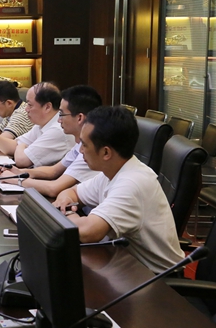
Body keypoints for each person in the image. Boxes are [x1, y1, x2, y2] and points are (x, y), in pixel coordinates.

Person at [53, 106, 184, 274]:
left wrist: (67, 212)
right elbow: (71, 192)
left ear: (106, 152)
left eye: (84, 144)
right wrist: (66, 202)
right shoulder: (112, 171)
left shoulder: (132, 183)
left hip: (159, 282)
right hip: (128, 268)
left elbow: (87, 232)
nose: (80, 150)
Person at [0, 85, 102, 196]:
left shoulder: (92, 149)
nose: (59, 120)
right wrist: (21, 172)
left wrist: (16, 180)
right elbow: (53, 171)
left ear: (79, 118)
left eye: (61, 114)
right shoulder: (80, 144)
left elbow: (53, 188)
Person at [0, 82, 74, 167]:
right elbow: (14, 145)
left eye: (30, 105)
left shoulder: (58, 129)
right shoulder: (41, 124)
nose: (26, 109)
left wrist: (21, 146)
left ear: (47, 107)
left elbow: (22, 160)